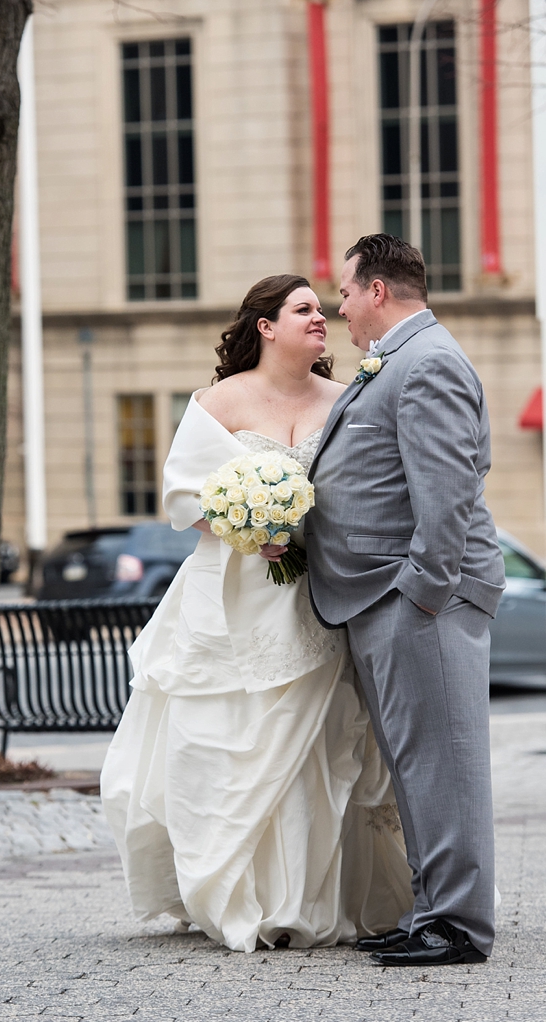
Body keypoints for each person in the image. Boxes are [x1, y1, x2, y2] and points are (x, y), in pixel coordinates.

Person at [100, 273, 413, 954]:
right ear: (266, 326)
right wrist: (246, 526)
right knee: (226, 739)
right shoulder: (220, 400)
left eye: (322, 310)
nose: (320, 318)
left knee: (322, 747)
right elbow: (182, 497)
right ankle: (238, 891)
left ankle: (310, 895)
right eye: (303, 309)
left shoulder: (347, 398)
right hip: (231, 597)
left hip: (321, 596)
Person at [295, 234, 504, 966]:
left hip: (418, 602)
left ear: (378, 291)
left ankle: (458, 925)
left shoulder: (429, 363)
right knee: (419, 768)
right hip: (384, 599)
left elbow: (447, 497)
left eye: (345, 292)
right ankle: (432, 911)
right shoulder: (398, 361)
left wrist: (419, 593)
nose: (339, 306)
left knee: (445, 765)